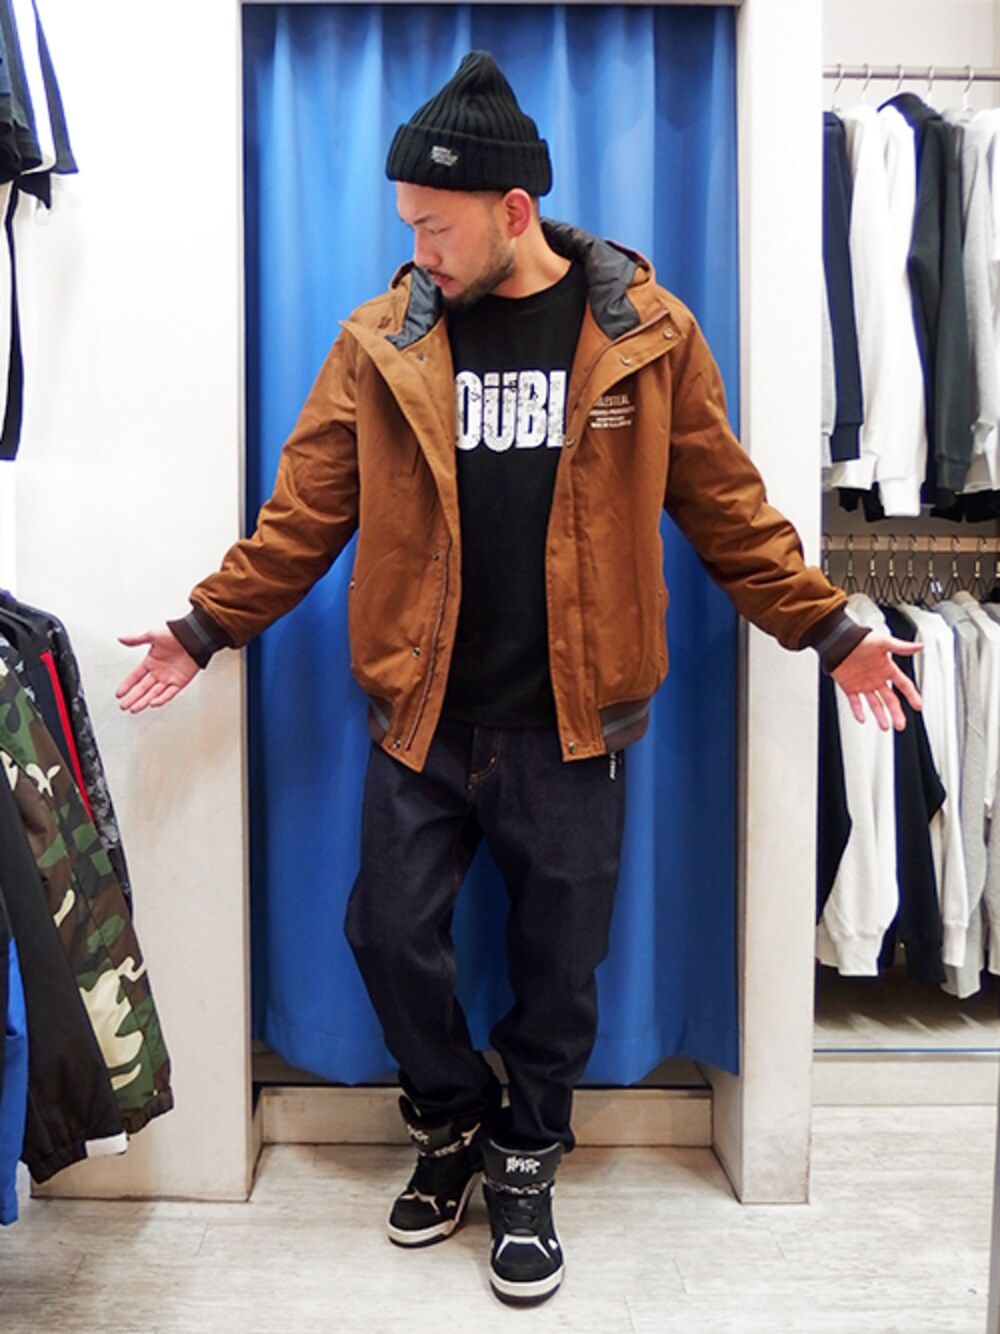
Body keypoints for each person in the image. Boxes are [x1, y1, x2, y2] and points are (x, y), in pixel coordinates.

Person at [116, 52, 921, 1306]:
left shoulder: (646, 336)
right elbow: (304, 514)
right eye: (407, 225)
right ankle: (449, 1119)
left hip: (573, 721)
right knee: (386, 935)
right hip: (421, 711)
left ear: (512, 209)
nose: (418, 251)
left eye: (435, 227)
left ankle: (528, 1153)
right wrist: (205, 625)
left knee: (559, 966)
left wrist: (829, 629)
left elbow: (729, 510)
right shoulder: (379, 342)